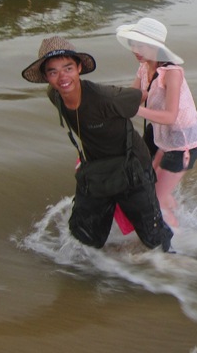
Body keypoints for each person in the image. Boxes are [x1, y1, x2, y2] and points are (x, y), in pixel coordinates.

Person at [21, 36, 173, 251]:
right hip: (96, 169)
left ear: (79, 68)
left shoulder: (105, 97)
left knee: (153, 237)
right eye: (53, 72)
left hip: (132, 167)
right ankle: (90, 276)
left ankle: (174, 265)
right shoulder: (54, 95)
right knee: (84, 236)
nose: (62, 77)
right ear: (46, 77)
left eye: (68, 68)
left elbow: (141, 95)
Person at [116, 18, 197, 228]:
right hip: (162, 137)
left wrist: (133, 109)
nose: (135, 49)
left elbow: (170, 116)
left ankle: (176, 248)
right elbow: (132, 96)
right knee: (149, 184)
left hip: (185, 142)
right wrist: (111, 104)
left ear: (156, 46)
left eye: (141, 45)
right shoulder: (143, 68)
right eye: (133, 44)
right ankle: (180, 220)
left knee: (156, 199)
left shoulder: (172, 73)